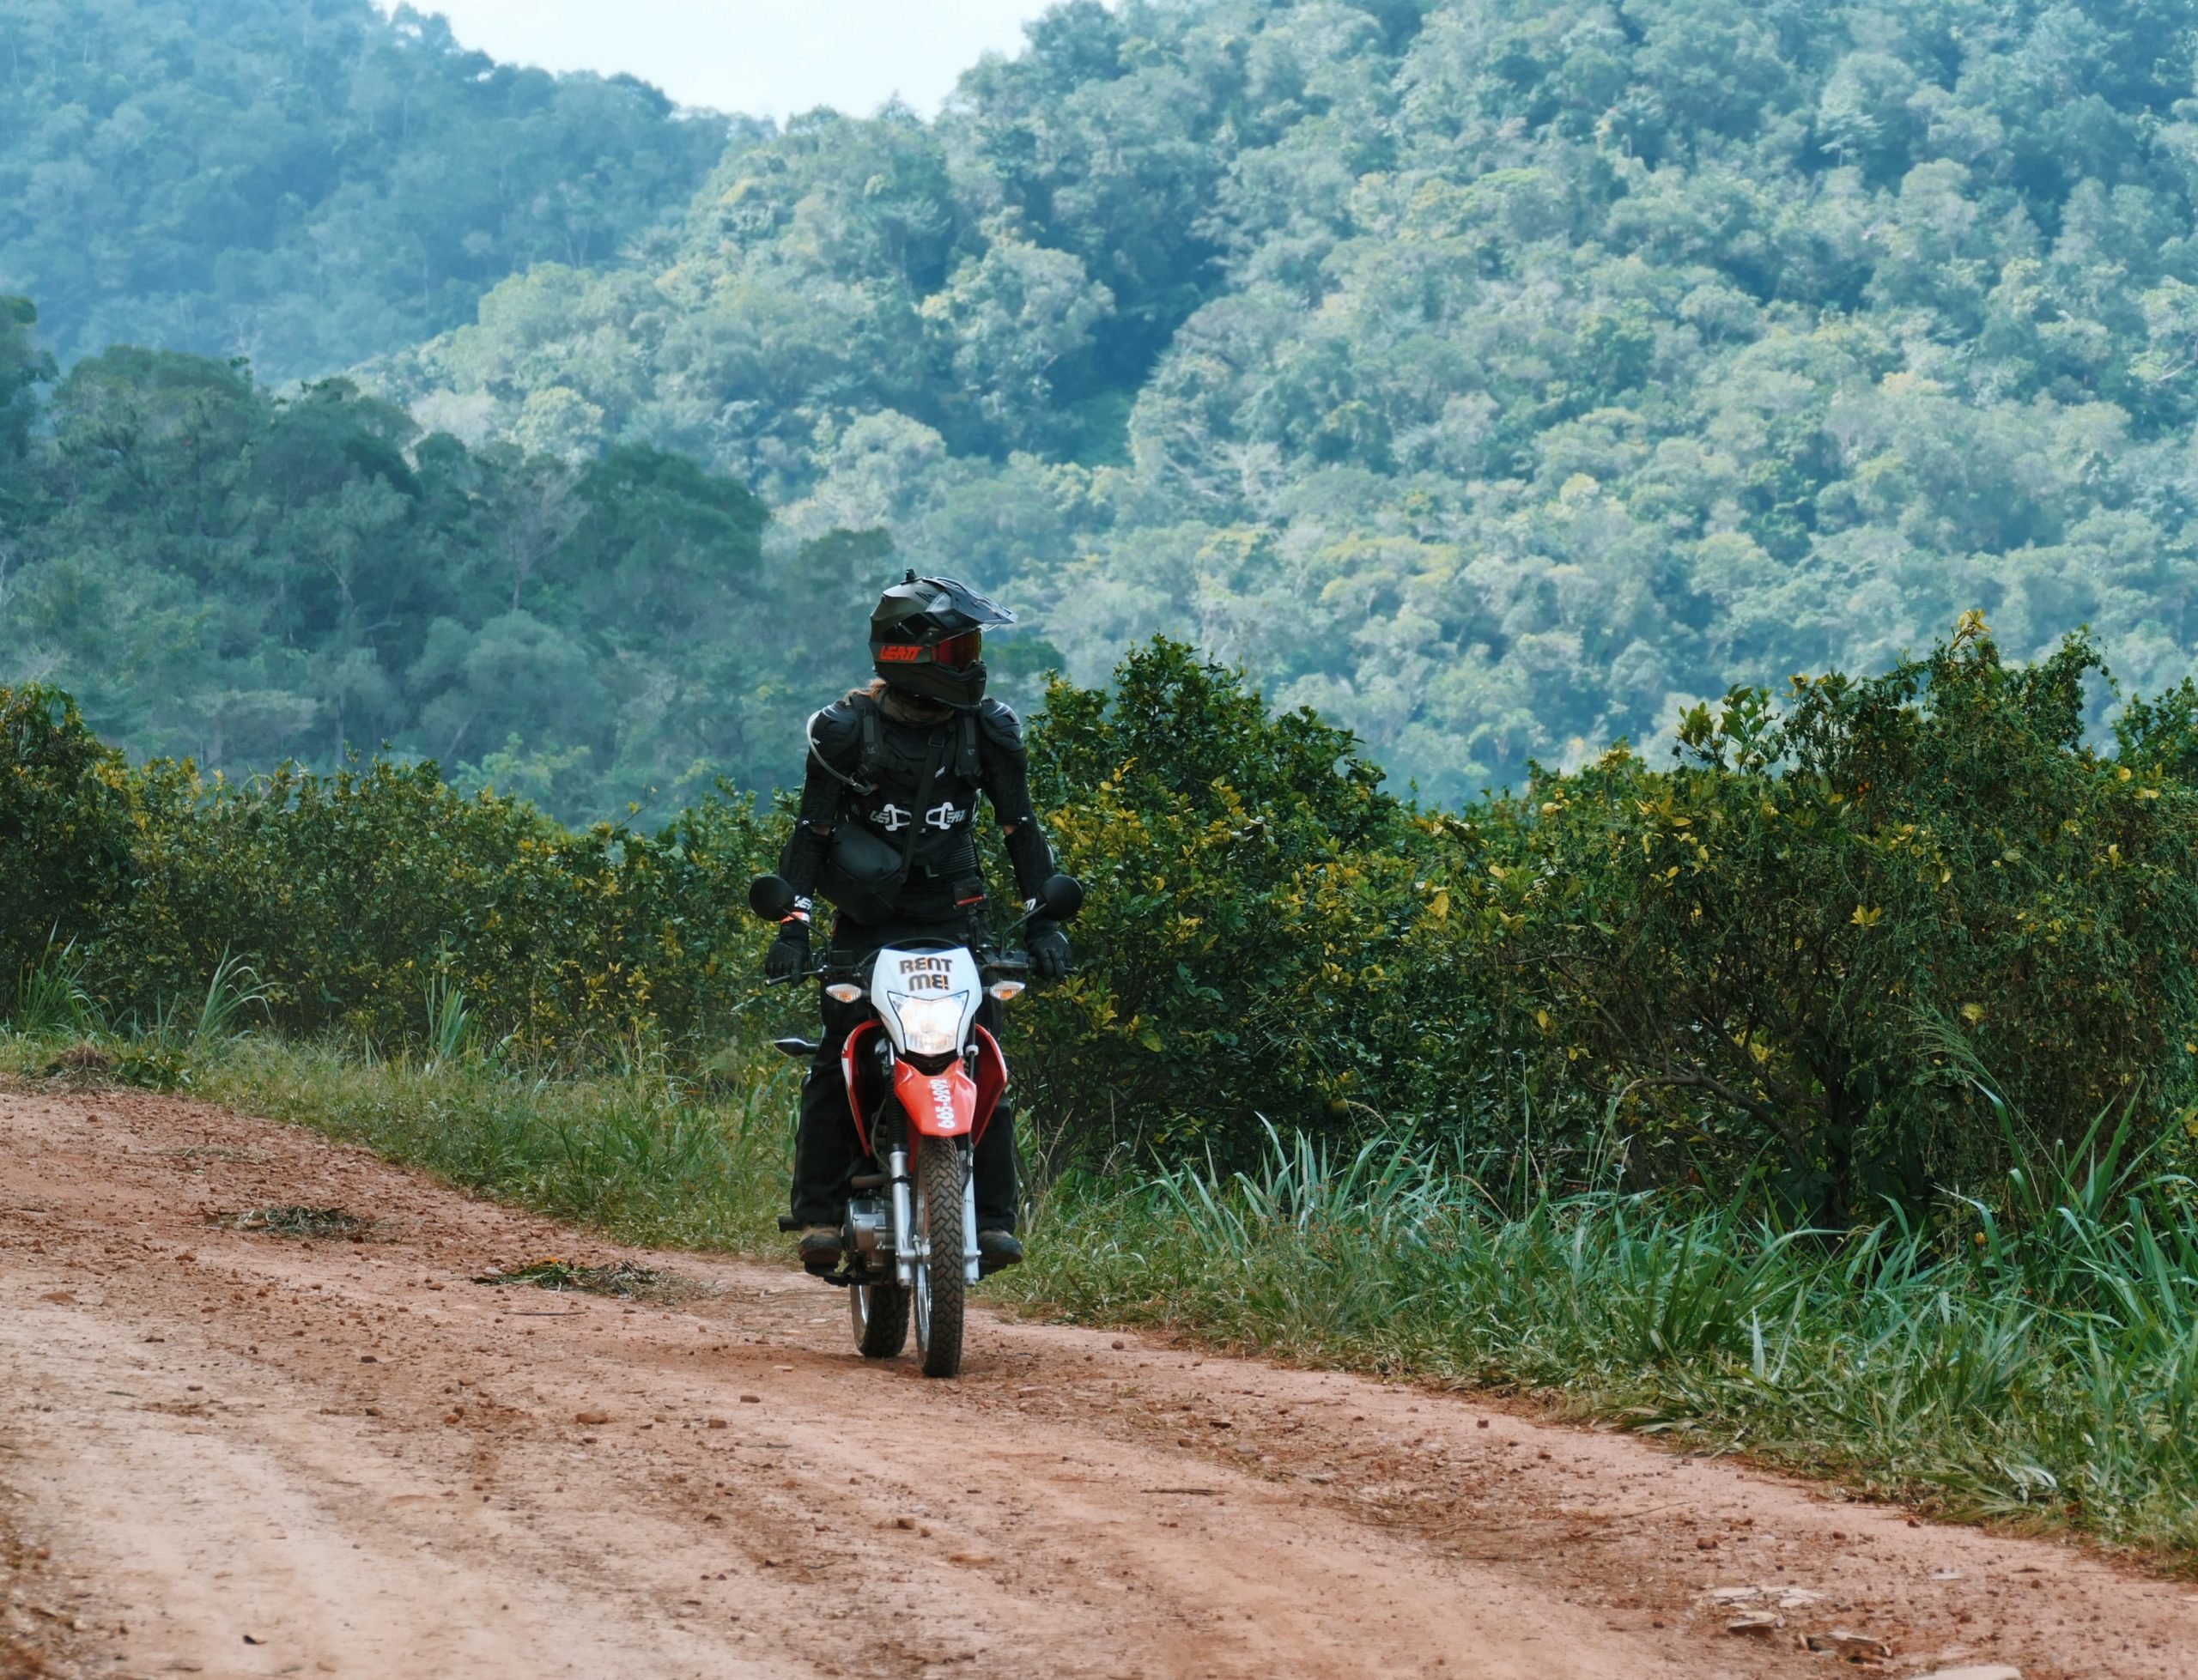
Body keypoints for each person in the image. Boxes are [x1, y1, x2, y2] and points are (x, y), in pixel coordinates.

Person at [767, 572, 1071, 1274]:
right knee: (835, 1055)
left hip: (958, 922)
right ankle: (818, 1211)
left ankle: (992, 1220)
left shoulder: (988, 730)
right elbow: (810, 833)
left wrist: (1042, 921)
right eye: (960, 649)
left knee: (983, 1056)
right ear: (914, 654)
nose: (974, 663)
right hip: (866, 930)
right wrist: (794, 923)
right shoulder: (846, 731)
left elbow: (1019, 827)